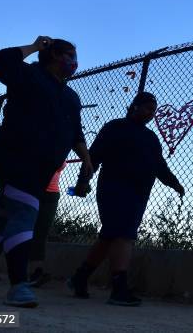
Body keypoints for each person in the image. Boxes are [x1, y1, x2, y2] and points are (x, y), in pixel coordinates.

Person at [0, 37, 93, 308]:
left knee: (2, 221)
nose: (74, 61)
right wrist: (36, 47)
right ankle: (18, 285)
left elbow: (76, 132)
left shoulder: (71, 97)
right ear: (54, 55)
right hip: (13, 155)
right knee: (25, 212)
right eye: (69, 55)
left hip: (43, 167)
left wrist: (86, 159)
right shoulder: (29, 75)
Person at [68, 92, 184, 306]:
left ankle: (80, 277)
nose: (151, 114)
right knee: (124, 234)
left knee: (110, 236)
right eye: (148, 108)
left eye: (153, 111)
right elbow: (94, 156)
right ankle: (119, 288)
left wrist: (174, 183)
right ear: (134, 106)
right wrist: (83, 181)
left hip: (139, 193)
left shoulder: (151, 138)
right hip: (113, 189)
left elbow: (159, 166)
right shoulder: (115, 127)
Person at [0, 162, 67, 287]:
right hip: (26, 187)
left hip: (50, 192)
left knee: (41, 231)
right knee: (4, 225)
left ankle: (36, 271)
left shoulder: (64, 143)